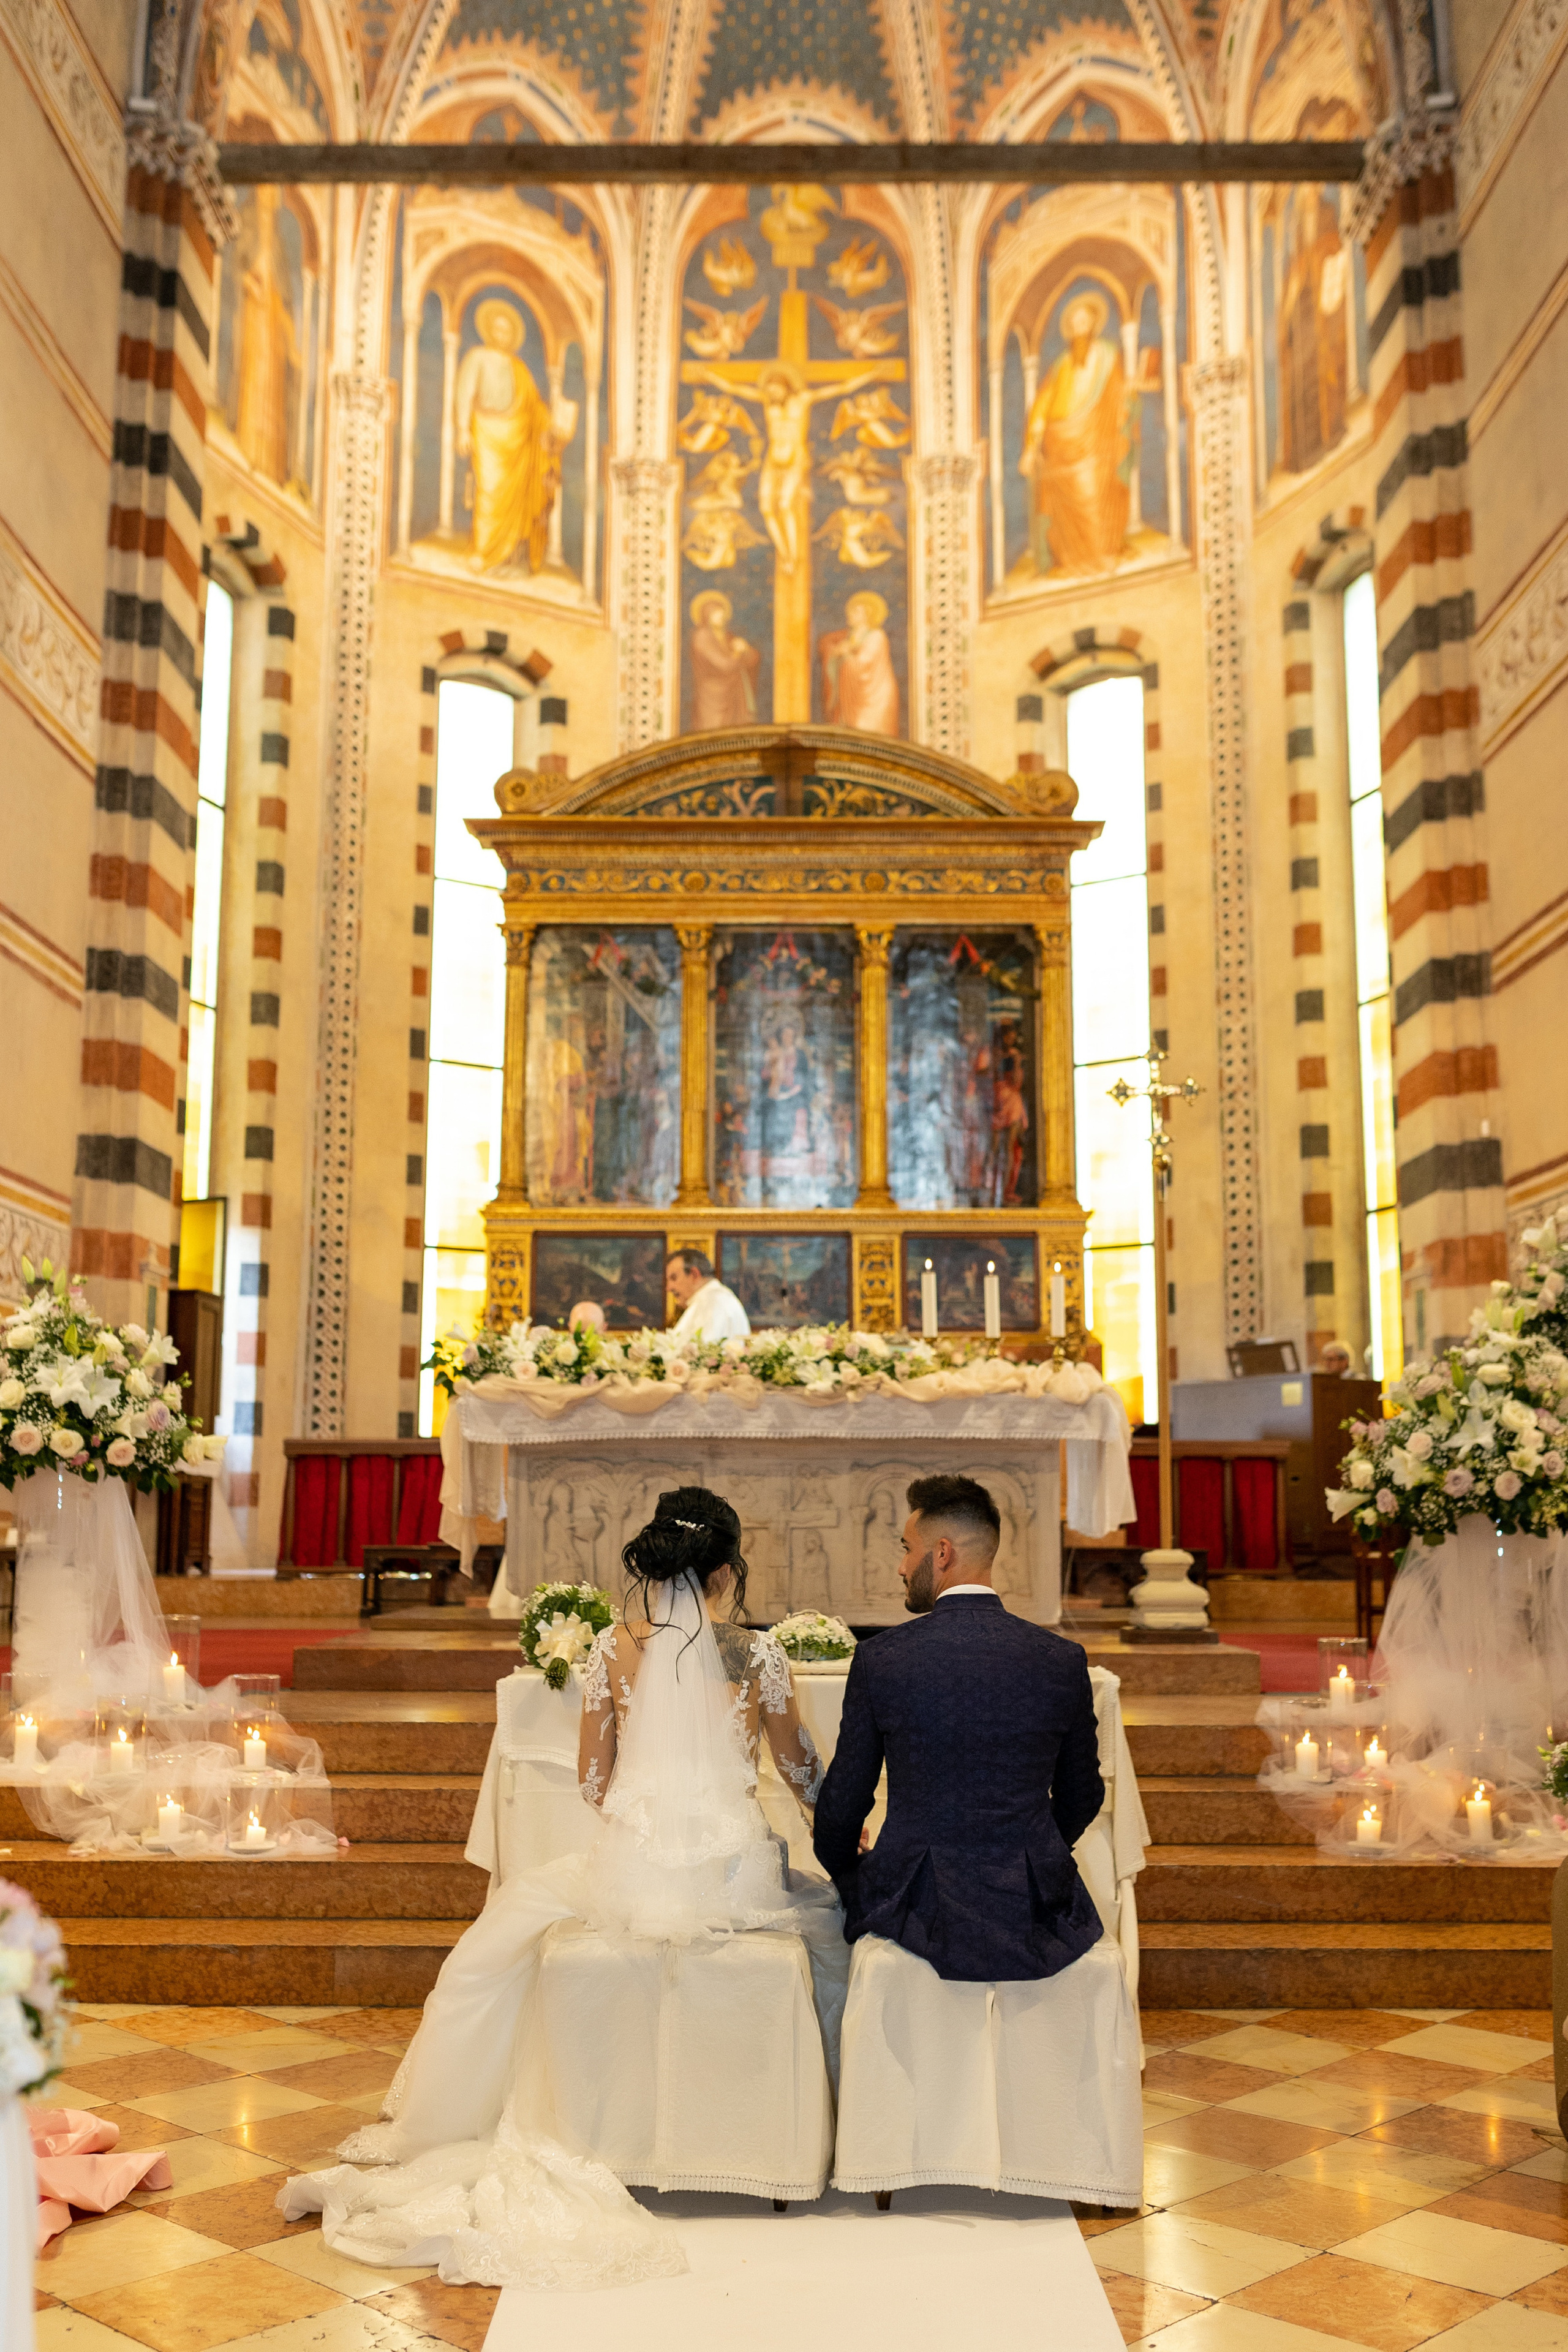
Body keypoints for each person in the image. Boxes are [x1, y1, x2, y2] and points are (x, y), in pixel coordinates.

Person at [279, 1488, 841, 2287]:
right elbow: (800, 1771)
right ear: (726, 1571)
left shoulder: (613, 1651)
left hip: (632, 1874)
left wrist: (648, 1826)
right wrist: (824, 1820)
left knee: (499, 1948)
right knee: (832, 1926)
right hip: (733, 1875)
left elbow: (592, 1783)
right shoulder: (758, 1657)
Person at [813, 1472, 1106, 1980]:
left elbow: (843, 1805)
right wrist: (1031, 1853)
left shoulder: (883, 1659)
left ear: (941, 1553)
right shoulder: (1061, 1659)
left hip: (915, 1902)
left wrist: (848, 1872)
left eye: (908, 1549)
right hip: (1033, 1905)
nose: (901, 1567)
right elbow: (1083, 1795)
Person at [666, 1246, 750, 1341]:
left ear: (694, 1274)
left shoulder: (710, 1302)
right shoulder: (718, 1297)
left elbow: (701, 1351)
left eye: (674, 1278)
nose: (669, 1288)